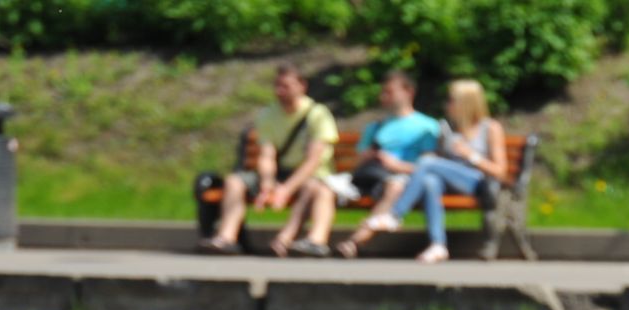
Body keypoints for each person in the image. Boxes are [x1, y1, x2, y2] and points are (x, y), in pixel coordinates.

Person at [361, 78, 508, 264]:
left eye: (451, 100)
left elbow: (500, 172)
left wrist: (470, 155)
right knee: (430, 181)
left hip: (477, 183)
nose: (447, 105)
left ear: (466, 103)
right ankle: (438, 244)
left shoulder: (490, 128)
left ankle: (395, 215)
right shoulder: (449, 129)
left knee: (428, 162)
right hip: (449, 182)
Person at [199, 64, 338, 256]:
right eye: (277, 86)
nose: (279, 91)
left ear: (301, 86)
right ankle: (226, 237)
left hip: (310, 174)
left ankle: (303, 240)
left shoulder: (318, 114)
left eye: (285, 86)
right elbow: (267, 155)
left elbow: (313, 161)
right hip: (281, 172)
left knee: (314, 188)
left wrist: (286, 189)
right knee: (234, 182)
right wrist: (267, 183)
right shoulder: (268, 114)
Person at [332, 71, 442, 259]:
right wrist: (371, 156)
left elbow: (430, 166)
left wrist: (397, 165)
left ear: (409, 92)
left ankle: (355, 240)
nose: (384, 97)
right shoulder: (377, 126)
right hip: (370, 176)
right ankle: (314, 240)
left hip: (404, 179)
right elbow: (358, 161)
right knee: (318, 186)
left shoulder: (427, 127)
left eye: (389, 92)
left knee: (395, 186)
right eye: (383, 92)